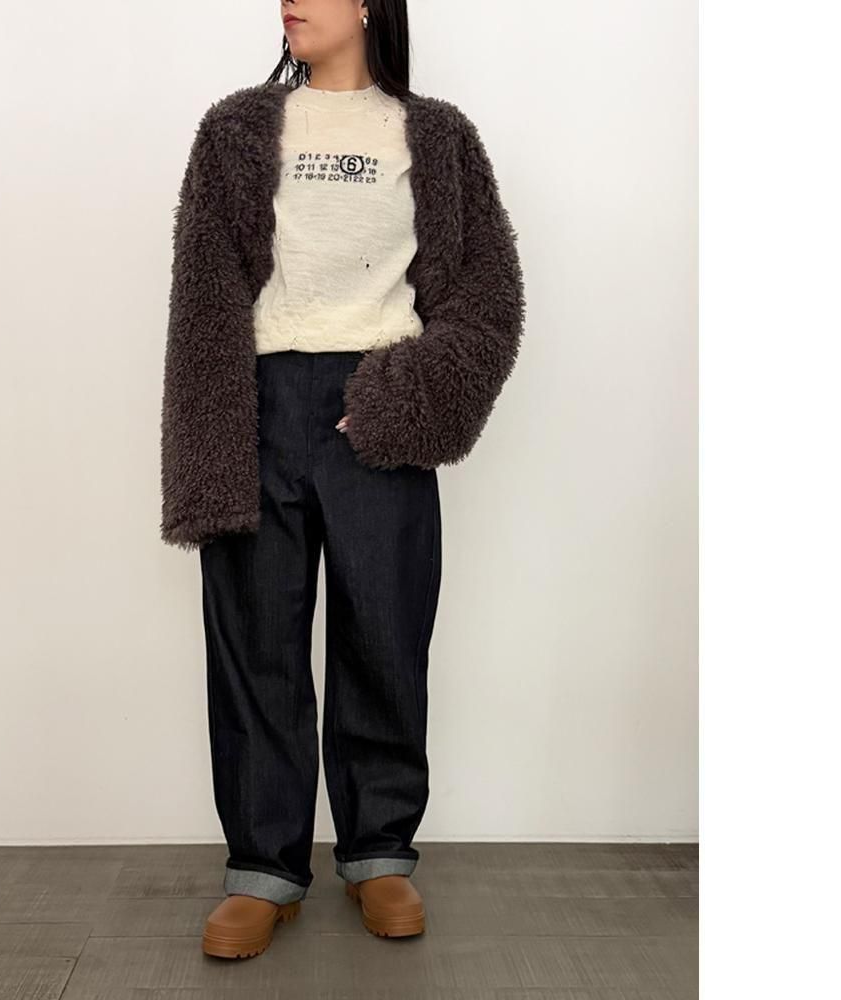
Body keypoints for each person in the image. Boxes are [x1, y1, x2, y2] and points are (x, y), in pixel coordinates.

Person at [160, 0, 525, 960]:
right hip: (257, 405)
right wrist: (208, 432)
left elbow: (486, 296)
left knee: (385, 636)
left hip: (381, 408)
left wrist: (408, 397)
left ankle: (379, 854)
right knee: (256, 642)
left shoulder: (435, 136)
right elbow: (204, 294)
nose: (289, 1)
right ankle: (263, 870)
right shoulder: (237, 129)